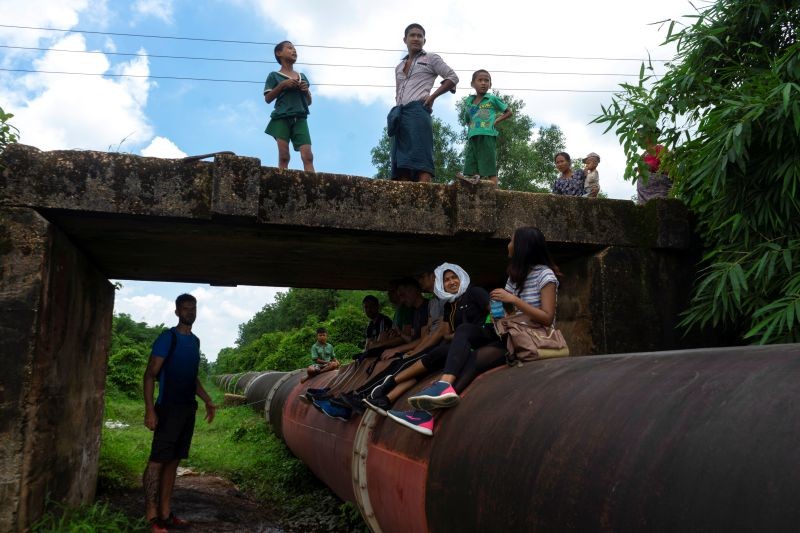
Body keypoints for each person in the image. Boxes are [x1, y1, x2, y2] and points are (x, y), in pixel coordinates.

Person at [388, 227, 560, 436]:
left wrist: (513, 300)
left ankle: (433, 404)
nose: (508, 245)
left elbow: (547, 317)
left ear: (523, 246)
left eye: (511, 241)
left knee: (471, 354)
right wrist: (499, 309)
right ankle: (437, 399)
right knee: (465, 337)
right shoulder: (514, 276)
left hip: (531, 337)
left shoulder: (545, 275)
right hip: (510, 333)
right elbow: (508, 314)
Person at [370, 264, 494, 435]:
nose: (451, 282)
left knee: (464, 330)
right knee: (437, 353)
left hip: (485, 337)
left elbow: (494, 309)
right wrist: (455, 337)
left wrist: (490, 325)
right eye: (446, 280)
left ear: (462, 277)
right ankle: (390, 387)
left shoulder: (474, 292)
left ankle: (444, 385)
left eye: (454, 277)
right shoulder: (450, 305)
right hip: (464, 343)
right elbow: (448, 334)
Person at [143, 294, 216, 533]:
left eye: (193, 309)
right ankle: (152, 516)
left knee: (173, 462)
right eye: (185, 309)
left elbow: (191, 378)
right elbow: (150, 374)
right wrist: (150, 410)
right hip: (168, 408)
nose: (189, 313)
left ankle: (165, 512)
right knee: (157, 462)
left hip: (187, 409)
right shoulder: (168, 338)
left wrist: (207, 400)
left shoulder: (195, 341)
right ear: (177, 312)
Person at [390, 23, 459, 182]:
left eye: (419, 36)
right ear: (405, 39)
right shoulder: (399, 66)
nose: (416, 38)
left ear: (424, 40)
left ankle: (424, 202)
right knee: (401, 165)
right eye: (412, 35)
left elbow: (452, 77)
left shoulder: (431, 58)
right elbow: (398, 91)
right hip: (399, 114)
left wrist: (432, 96)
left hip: (418, 112)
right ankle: (405, 203)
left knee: (422, 161)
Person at [263, 40, 315, 172]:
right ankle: (283, 182)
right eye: (289, 48)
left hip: (300, 117)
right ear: (278, 53)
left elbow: (308, 101)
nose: (294, 50)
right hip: (281, 118)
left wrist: (306, 91)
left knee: (308, 156)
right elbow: (268, 98)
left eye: (294, 49)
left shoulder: (301, 76)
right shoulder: (274, 76)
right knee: (284, 156)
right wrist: (282, 85)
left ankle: (312, 184)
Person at [458, 69, 513, 186]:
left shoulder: (492, 99)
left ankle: (495, 193)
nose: (483, 83)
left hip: (487, 135)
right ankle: (474, 188)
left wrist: (496, 120)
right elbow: (467, 119)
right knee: (471, 165)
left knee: (489, 167)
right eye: (480, 80)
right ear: (472, 84)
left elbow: (509, 112)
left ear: (490, 84)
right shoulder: (469, 101)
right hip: (472, 136)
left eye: (486, 80)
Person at [636, 128, 672, 204]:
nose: (641, 138)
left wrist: (652, 168)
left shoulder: (661, 149)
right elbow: (640, 172)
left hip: (658, 190)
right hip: (644, 193)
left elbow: (668, 170)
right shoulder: (643, 155)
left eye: (643, 135)